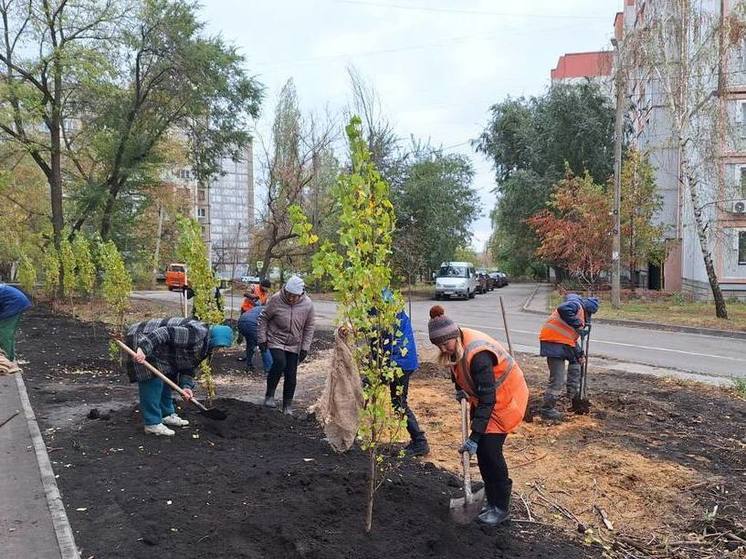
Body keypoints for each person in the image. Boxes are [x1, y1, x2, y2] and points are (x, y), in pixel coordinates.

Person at [428, 304, 528, 526]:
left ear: (454, 335)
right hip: (486, 399)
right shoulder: (456, 347)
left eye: (445, 343)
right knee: (483, 453)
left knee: (490, 453)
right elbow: (458, 372)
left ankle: (500, 508)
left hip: (505, 400)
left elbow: (489, 399)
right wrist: (459, 390)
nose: (444, 349)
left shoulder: (479, 354)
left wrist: (474, 437)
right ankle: (490, 500)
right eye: (439, 345)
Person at [126, 317, 233, 436]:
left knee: (167, 375)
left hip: (160, 346)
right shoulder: (195, 333)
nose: (217, 349)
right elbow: (164, 332)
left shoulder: (206, 347)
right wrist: (143, 349)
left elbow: (189, 365)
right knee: (152, 378)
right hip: (143, 336)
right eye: (218, 345)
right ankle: (152, 423)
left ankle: (166, 415)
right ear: (213, 337)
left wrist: (186, 386)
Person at [374, 289, 429, 456]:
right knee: (397, 402)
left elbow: (387, 345)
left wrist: (382, 370)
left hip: (399, 364)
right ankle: (419, 441)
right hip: (400, 362)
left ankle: (420, 442)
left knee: (398, 403)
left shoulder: (389, 315)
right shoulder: (392, 309)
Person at [257, 275, 315, 415]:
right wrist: (262, 339)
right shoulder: (276, 299)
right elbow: (263, 318)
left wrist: (305, 348)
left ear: (301, 293)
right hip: (276, 339)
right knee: (279, 362)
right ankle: (269, 396)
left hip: (294, 343)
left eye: (294, 296)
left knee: (291, 373)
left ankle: (287, 405)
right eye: (288, 295)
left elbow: (309, 327)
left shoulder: (307, 304)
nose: (290, 298)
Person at [538, 293, 600, 421]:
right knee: (557, 380)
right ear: (589, 309)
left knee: (577, 360)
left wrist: (580, 354)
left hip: (562, 343)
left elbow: (569, 338)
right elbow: (563, 308)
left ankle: (574, 396)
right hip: (553, 343)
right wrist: (578, 324)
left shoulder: (580, 312)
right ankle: (547, 410)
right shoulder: (576, 306)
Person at [0, 284, 32, 373]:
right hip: (16, 302)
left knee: (4, 333)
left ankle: (7, 360)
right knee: (7, 332)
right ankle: (10, 356)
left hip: (14, 304)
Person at [237, 302, 273, 374]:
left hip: (241, 322)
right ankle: (270, 370)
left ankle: (249, 365)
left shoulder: (258, 308)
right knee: (264, 345)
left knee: (250, 344)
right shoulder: (271, 310)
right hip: (252, 324)